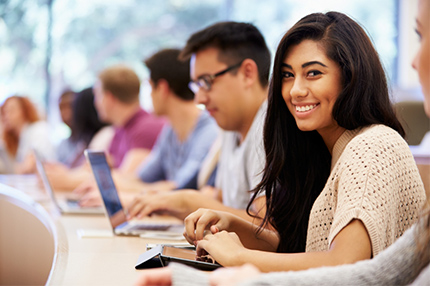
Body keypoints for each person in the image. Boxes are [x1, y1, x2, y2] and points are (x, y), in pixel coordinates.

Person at [136, 1, 430, 285]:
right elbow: (299, 250)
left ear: (351, 77)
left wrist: (239, 257)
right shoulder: (320, 152)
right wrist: (233, 223)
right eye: (288, 75)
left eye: (313, 73)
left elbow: (346, 265)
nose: (296, 90)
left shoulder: (373, 144)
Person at [126, 21, 271, 222]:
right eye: (197, 85)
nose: (199, 99)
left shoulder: (270, 129)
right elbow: (222, 200)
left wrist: (189, 201)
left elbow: (268, 227)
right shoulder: (231, 125)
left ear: (247, 73)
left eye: (206, 82)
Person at [76, 48, 219, 206]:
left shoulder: (209, 131)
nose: (148, 96)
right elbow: (142, 177)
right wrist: (112, 183)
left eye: (149, 87)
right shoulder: (170, 130)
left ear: (162, 88)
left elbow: (180, 187)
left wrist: (127, 194)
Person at [94, 64, 166, 172]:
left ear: (109, 98)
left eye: (97, 95)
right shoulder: (120, 129)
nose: (95, 102)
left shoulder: (146, 129)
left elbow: (128, 179)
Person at [56, 87, 113, 168]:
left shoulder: (105, 136)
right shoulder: (74, 143)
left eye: (71, 107)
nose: (66, 114)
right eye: (61, 108)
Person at [0, 95, 55, 173]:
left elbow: (28, 167)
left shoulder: (38, 130)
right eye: (4, 112)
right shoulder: (18, 139)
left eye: (11, 111)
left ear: (24, 111)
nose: (6, 116)